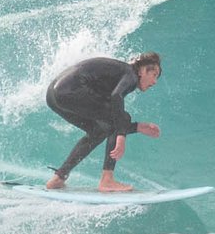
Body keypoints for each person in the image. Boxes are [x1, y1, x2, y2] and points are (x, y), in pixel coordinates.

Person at [43, 52, 162, 192]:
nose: (155, 82)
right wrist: (122, 136)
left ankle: (59, 177)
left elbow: (111, 113)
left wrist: (136, 127)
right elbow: (116, 97)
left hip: (53, 95)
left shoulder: (118, 73)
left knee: (99, 130)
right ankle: (107, 180)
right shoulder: (131, 75)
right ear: (142, 71)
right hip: (70, 91)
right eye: (154, 75)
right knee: (120, 118)